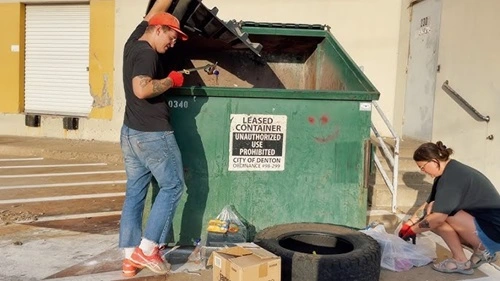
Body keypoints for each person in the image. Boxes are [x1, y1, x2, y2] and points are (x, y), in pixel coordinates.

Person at [119, 0, 188, 277]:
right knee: (173, 186)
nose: (172, 45)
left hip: (130, 133)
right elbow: (142, 89)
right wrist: (172, 80)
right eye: (171, 38)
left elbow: (151, 13)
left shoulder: (133, 40)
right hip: (153, 134)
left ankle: (129, 258)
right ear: (158, 30)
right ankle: (147, 250)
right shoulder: (147, 52)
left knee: (135, 191)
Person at [398, 141, 500, 275]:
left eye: (422, 167)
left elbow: (437, 219)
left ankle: (464, 259)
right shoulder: (448, 172)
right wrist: (410, 223)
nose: (422, 171)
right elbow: (428, 203)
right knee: (433, 208)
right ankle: (482, 250)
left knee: (437, 217)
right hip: (488, 226)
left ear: (434, 161)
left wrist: (413, 231)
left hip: (493, 233)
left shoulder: (452, 178)